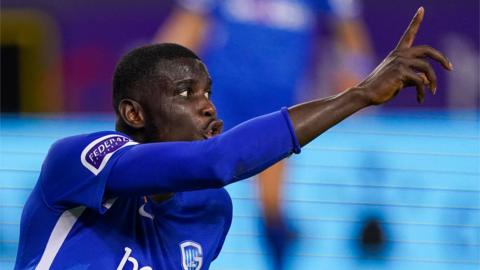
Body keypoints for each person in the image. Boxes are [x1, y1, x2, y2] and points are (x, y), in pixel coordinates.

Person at [15, 8, 451, 269]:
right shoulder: (78, 161)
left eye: (208, 93)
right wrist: (357, 95)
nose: (207, 106)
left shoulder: (208, 210)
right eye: (186, 94)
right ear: (134, 113)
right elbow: (217, 162)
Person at [155, 2, 373, 266]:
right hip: (220, 101)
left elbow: (347, 26)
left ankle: (279, 259)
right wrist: (154, 76)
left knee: (271, 204)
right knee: (190, 186)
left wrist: (356, 74)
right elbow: (189, 23)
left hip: (277, 107)